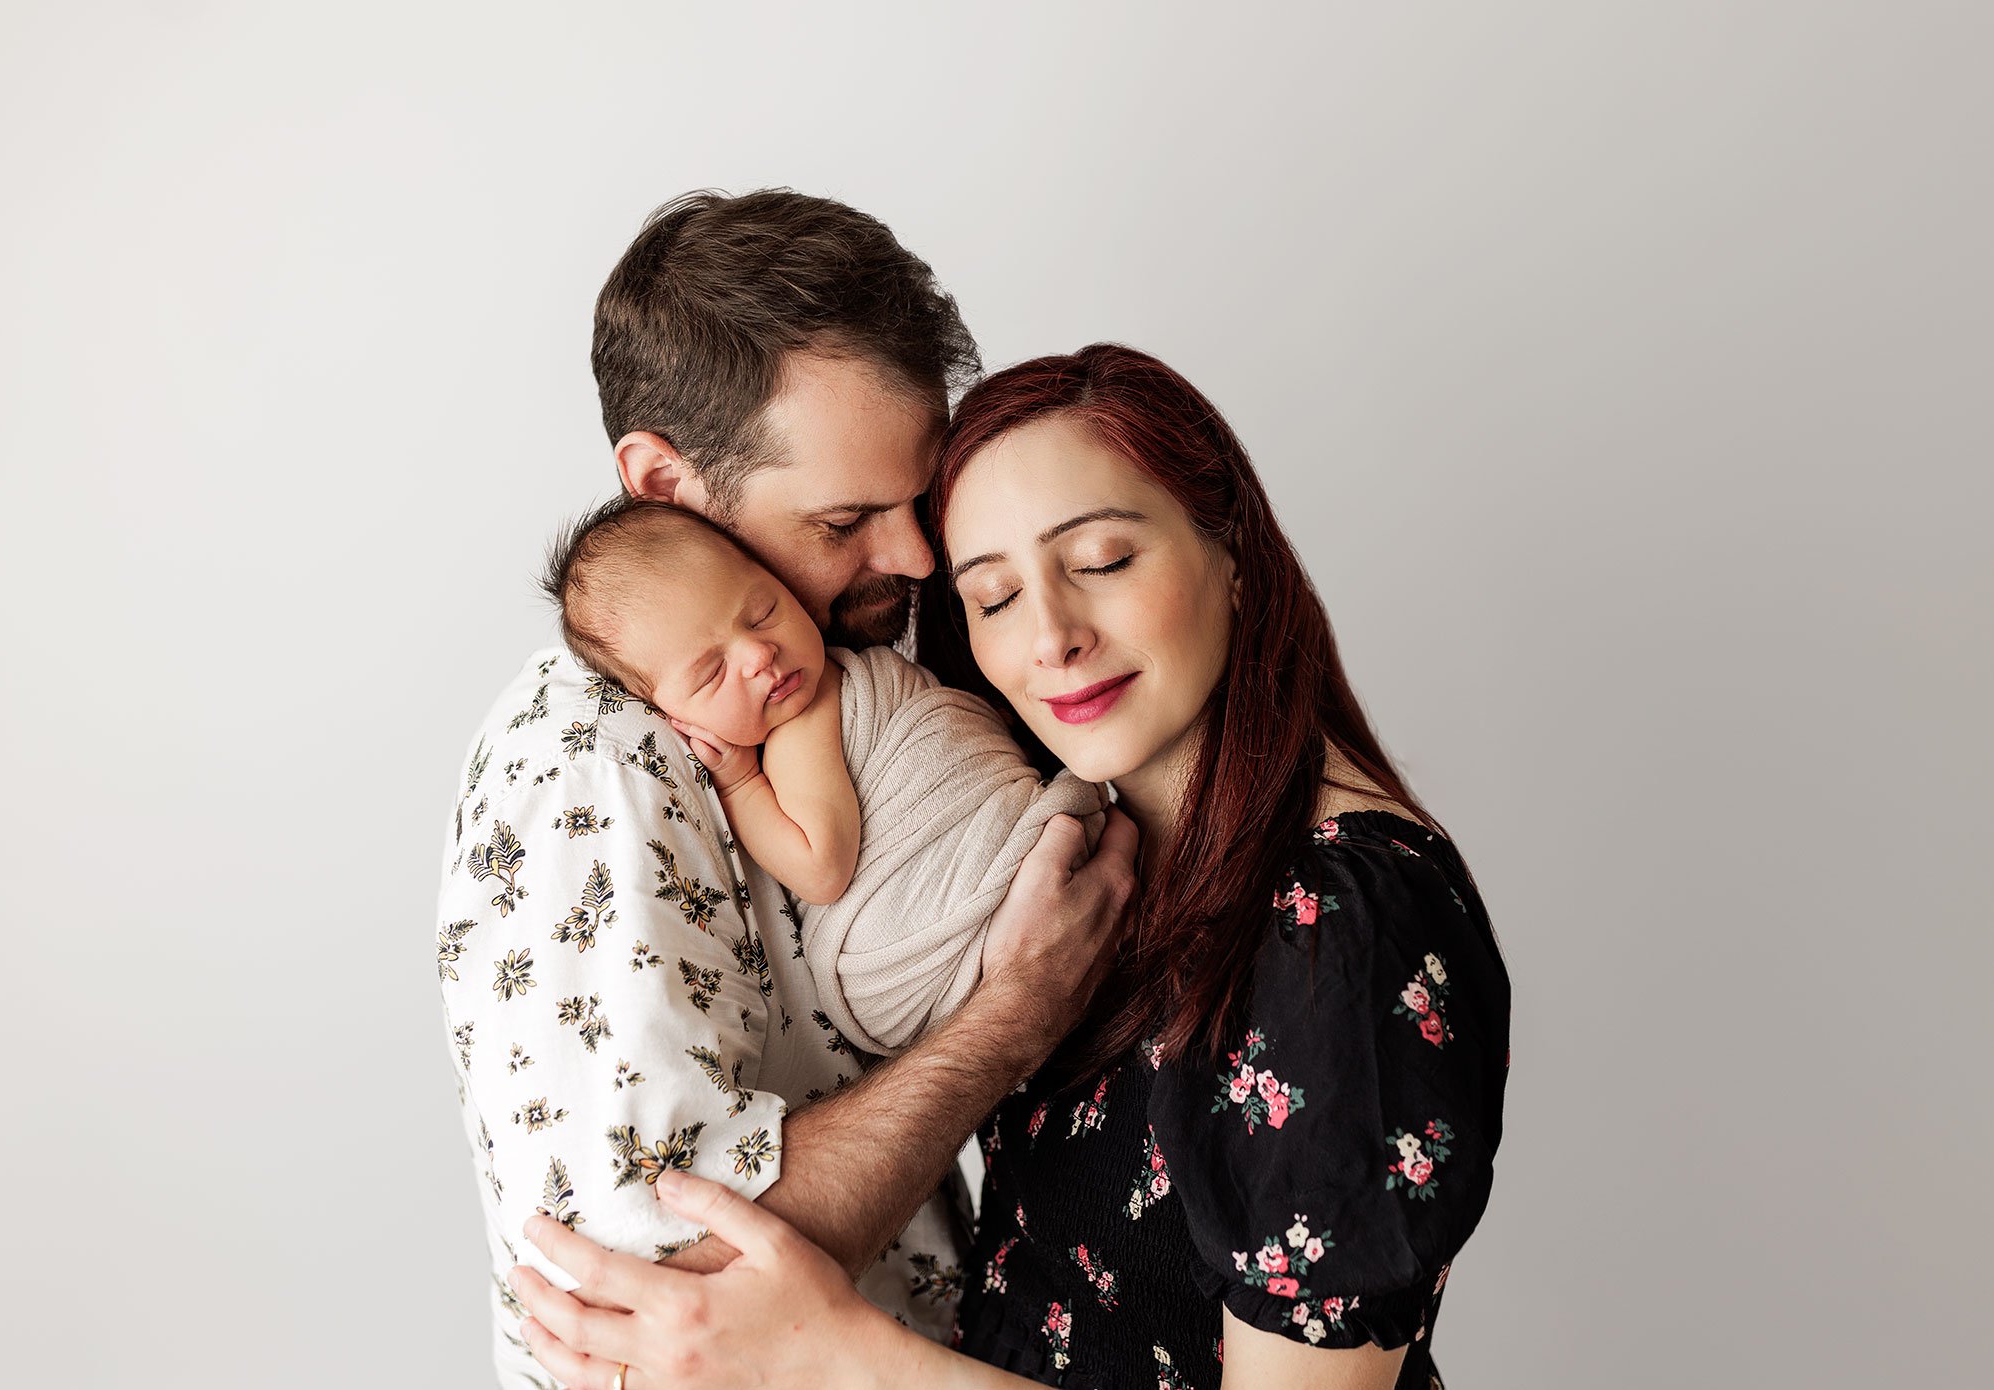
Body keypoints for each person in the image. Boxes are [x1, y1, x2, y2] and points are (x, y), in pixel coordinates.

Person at [505, 344, 1513, 1390]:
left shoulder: (1336, 923)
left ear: (1232, 553)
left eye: (1103, 562)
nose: (1051, 638)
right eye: (992, 597)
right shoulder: (1107, 868)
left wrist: (839, 1359)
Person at [436, 193, 1137, 1388]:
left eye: (916, 500)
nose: (918, 558)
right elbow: (669, 1297)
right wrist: (1010, 1014)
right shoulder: (594, 769)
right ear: (663, 483)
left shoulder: (817, 692)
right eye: (845, 519)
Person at [545, 496, 1106, 1050]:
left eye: (763, 612)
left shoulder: (803, 718)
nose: (759, 654)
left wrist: (740, 784)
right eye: (713, 672)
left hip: (963, 898)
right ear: (670, 716)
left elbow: (819, 869)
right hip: (930, 937)